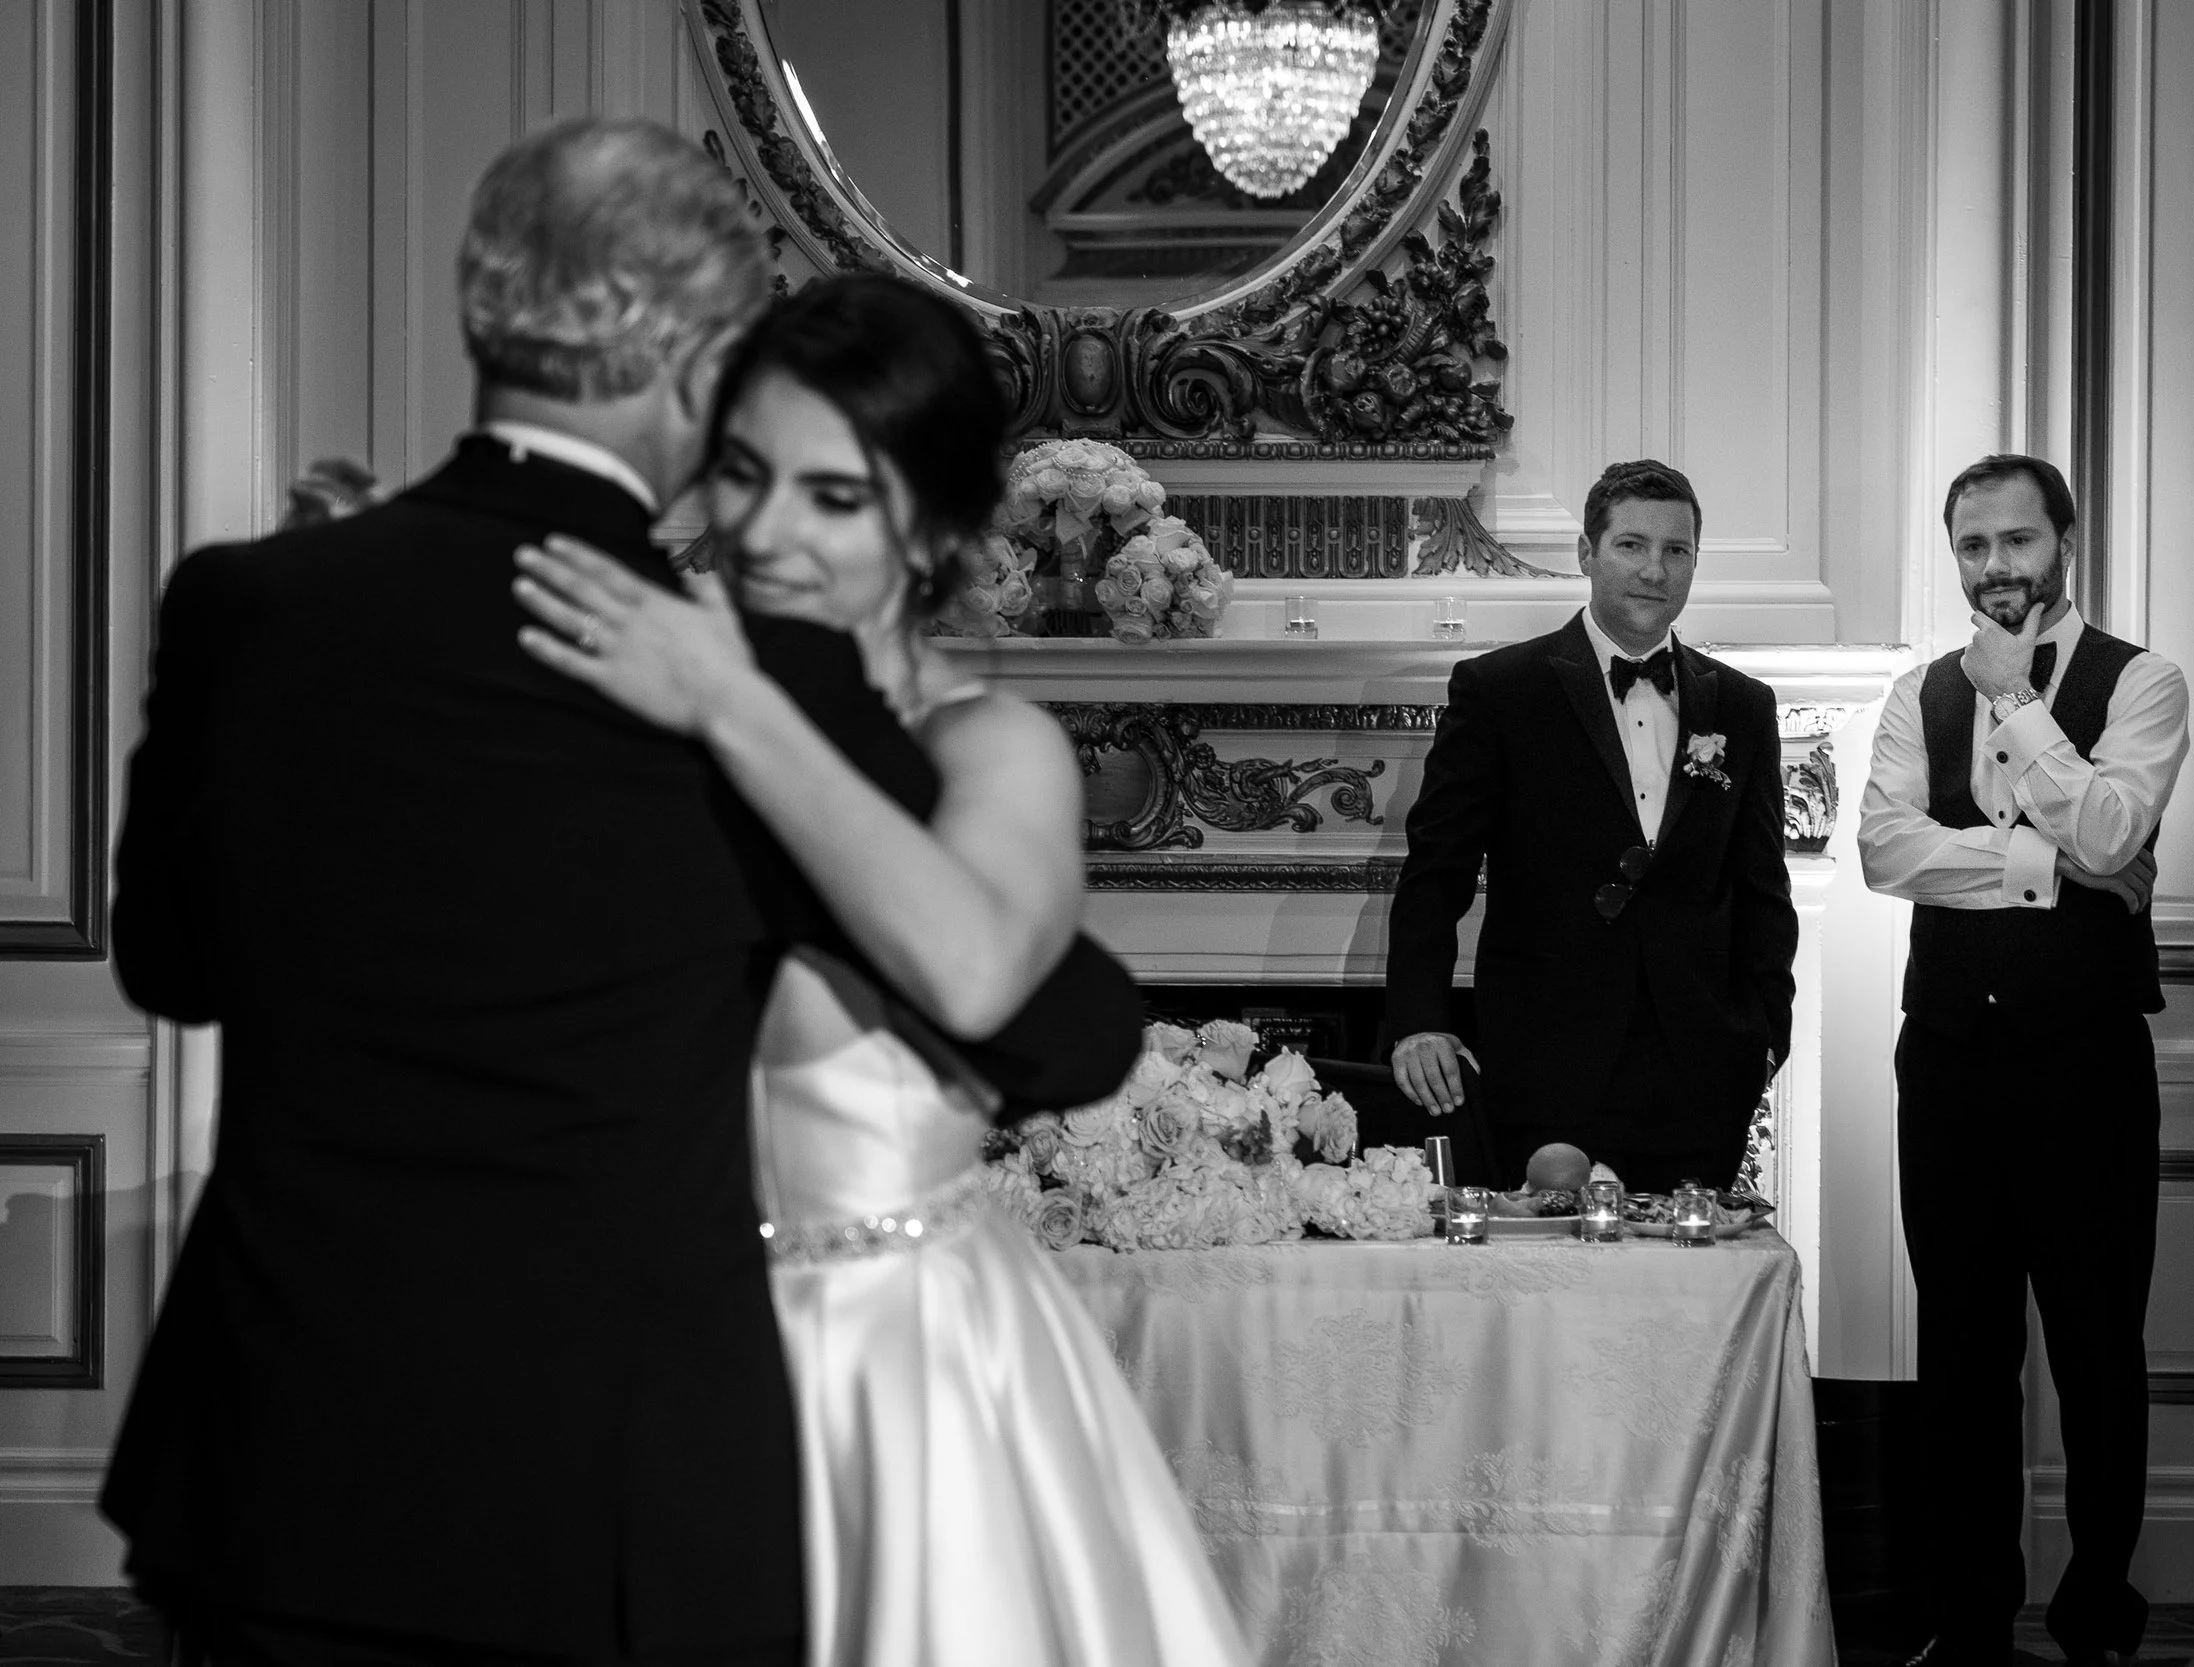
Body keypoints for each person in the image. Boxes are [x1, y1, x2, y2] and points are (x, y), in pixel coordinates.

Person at [105, 120, 1138, 1667]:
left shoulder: (250, 597)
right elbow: (1054, 1028)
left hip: (277, 1463)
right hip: (610, 1482)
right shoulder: (749, 665)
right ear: (704, 352)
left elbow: (171, 961)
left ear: (483, 305)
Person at [508, 273, 1251, 1667]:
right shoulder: (638, 728)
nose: (766, 531)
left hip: (910, 1359)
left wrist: (731, 701)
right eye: (743, 473)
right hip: (660, 1343)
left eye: (833, 497)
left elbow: (969, 970)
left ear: (938, 531)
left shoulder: (994, 749)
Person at [1858, 453, 2191, 1667]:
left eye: (2015, 542)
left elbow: (2119, 822)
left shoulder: (2144, 681)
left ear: (2064, 541)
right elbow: (1886, 854)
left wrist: (2021, 705)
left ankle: (2098, 1616)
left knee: (2099, 1349)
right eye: (1972, 547)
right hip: (1944, 1062)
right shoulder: (1913, 694)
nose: (1995, 569)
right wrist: (2057, 874)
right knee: (1959, 1350)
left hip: (2086, 1063)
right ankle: (1969, 1620)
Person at [1384, 460, 1798, 1193]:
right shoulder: (1499, 691)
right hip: (1544, 1063)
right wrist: (1420, 1017)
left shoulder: (1742, 705)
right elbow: (1436, 870)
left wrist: (1766, 1035)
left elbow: (1762, 884)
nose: (1654, 569)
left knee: (1687, 1295)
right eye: (1631, 546)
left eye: (1677, 551)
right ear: (1587, 554)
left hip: (1700, 1074)